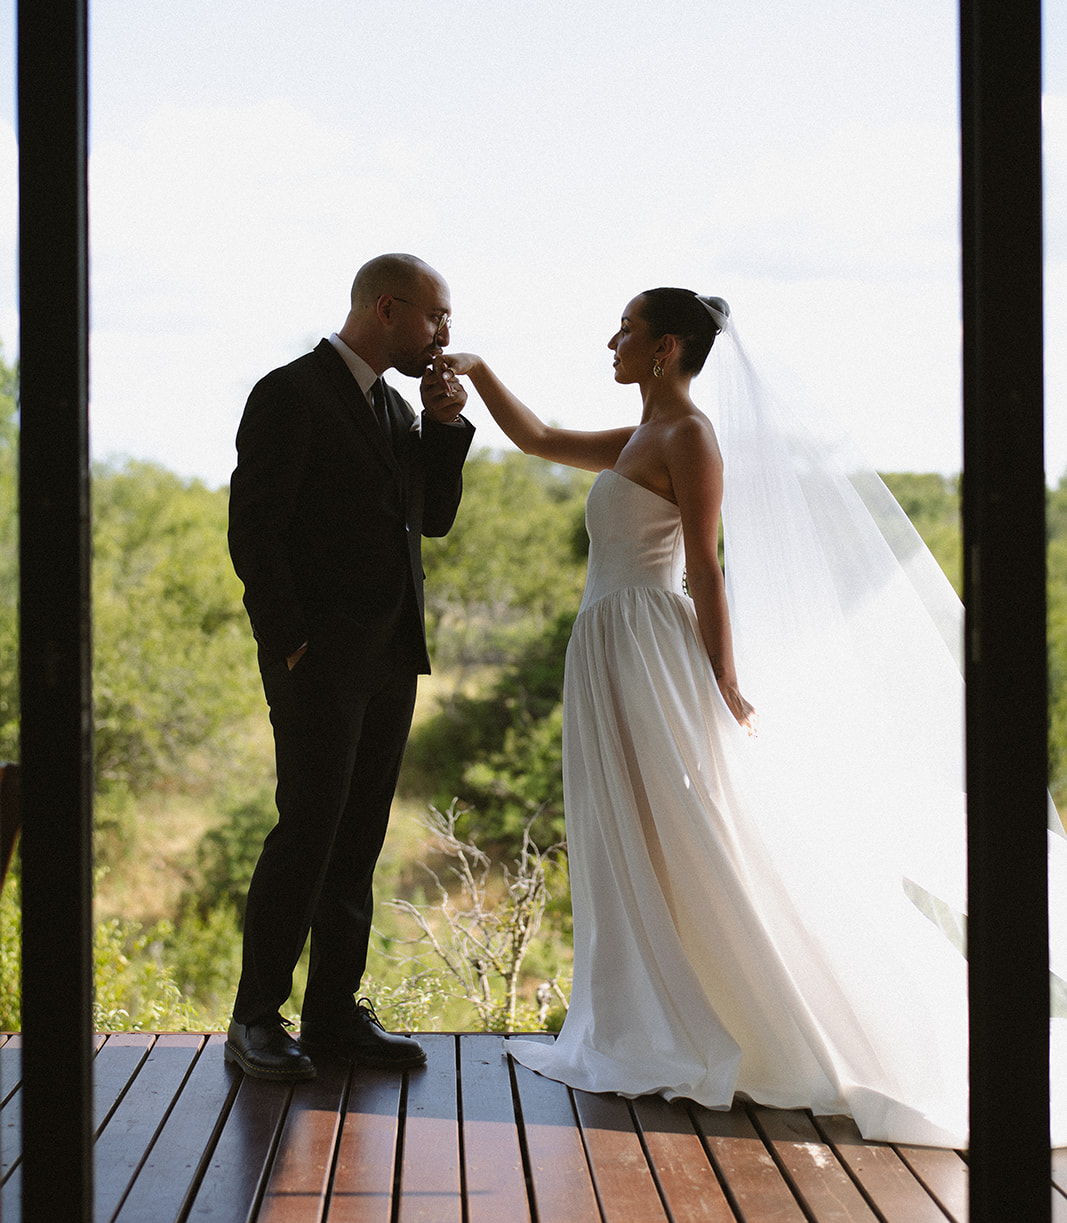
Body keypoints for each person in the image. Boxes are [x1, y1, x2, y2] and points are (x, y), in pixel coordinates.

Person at [446, 287, 1067, 1149]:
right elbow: (537, 438)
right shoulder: (634, 438)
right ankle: (644, 1008)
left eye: (624, 329)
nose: (610, 341)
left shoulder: (689, 437)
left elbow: (705, 566)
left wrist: (724, 682)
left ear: (665, 349)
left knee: (690, 823)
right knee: (623, 824)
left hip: (651, 647)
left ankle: (757, 1016)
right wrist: (476, 370)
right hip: (605, 649)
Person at [225, 252, 474, 1081]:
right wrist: (290, 644)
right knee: (307, 832)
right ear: (388, 308)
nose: (445, 333)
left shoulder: (398, 408)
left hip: (391, 657)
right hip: (318, 662)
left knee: (356, 841)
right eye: (437, 316)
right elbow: (254, 530)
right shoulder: (289, 392)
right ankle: (255, 1019)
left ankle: (331, 1017)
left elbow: (430, 519)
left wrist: (443, 428)